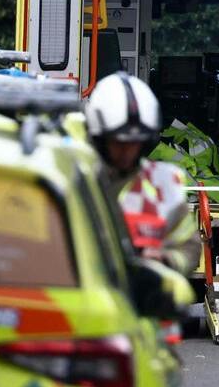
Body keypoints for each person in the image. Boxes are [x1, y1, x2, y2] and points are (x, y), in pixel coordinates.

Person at [84, 73, 201, 280]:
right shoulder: (76, 178)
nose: (127, 151)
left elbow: (189, 248)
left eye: (135, 142)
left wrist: (166, 262)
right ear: (99, 139)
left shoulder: (164, 182)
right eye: (119, 142)